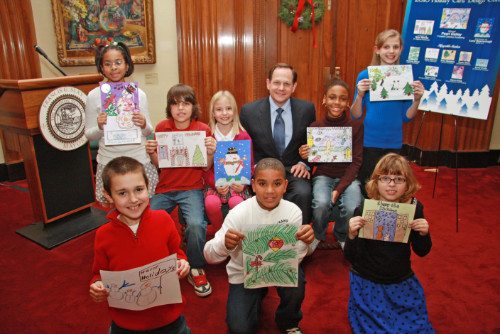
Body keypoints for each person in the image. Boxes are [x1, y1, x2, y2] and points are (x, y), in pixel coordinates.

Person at [204, 158, 314, 334]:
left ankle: (288, 321)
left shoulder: (293, 211)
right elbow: (208, 255)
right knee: (239, 329)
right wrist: (224, 244)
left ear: (285, 186)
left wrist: (303, 243)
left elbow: (296, 259)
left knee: (297, 282)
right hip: (244, 273)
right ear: (253, 186)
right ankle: (257, 295)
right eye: (263, 184)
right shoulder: (238, 213)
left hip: (280, 267)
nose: (270, 191)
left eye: (277, 184)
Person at [89, 156, 191, 334]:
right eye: (122, 193)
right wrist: (97, 285)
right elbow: (99, 274)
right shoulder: (103, 235)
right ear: (108, 195)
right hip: (126, 323)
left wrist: (182, 264)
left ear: (148, 185)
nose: (133, 199)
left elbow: (177, 254)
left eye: (138, 189)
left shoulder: (164, 220)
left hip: (169, 318)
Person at [344, 153, 434, 333]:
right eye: (385, 178)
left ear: (408, 183)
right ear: (376, 182)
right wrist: (351, 235)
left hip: (400, 279)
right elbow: (352, 256)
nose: (391, 184)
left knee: (417, 328)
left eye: (398, 179)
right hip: (367, 280)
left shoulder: (415, 208)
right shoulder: (363, 210)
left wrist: (424, 234)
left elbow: (421, 251)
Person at [146, 84, 216, 298]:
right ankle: (154, 264)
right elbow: (160, 164)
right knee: (147, 221)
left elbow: (205, 167)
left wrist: (211, 152)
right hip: (165, 188)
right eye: (175, 104)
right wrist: (152, 154)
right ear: (169, 108)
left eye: (186, 103)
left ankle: (196, 266)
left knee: (196, 224)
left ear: (193, 106)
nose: (181, 108)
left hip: (191, 188)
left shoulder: (202, 129)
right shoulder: (161, 127)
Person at [240, 63, 316, 225]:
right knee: (261, 193)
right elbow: (243, 146)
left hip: (293, 169)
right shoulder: (249, 111)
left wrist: (304, 162)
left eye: (287, 84)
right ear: (268, 83)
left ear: (294, 86)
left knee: (304, 192)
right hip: (262, 171)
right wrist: (254, 167)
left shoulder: (307, 109)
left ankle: (299, 241)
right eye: (276, 83)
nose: (281, 88)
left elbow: (312, 143)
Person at [350, 29, 425, 195]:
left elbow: (407, 117)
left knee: (390, 188)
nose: (391, 51)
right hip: (369, 142)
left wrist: (417, 100)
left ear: (401, 50)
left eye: (395, 47)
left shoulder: (406, 77)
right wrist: (360, 95)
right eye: (386, 47)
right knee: (368, 185)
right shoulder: (365, 75)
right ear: (377, 49)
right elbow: (355, 114)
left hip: (393, 142)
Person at [85, 41, 158, 205]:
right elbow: (89, 135)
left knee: (141, 205)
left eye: (118, 63)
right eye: (108, 64)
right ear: (102, 68)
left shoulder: (138, 94)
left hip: (138, 158)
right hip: (109, 159)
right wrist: (99, 127)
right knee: (115, 207)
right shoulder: (94, 96)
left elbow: (148, 131)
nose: (114, 68)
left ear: (127, 65)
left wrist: (143, 123)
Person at [299, 79, 364, 251]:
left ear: (348, 102)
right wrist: (306, 155)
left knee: (352, 206)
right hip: (323, 175)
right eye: (332, 97)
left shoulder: (356, 126)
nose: (337, 102)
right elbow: (316, 160)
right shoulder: (315, 127)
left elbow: (356, 160)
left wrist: (339, 188)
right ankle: (318, 234)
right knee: (321, 203)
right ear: (324, 100)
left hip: (348, 177)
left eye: (342, 99)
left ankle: (341, 233)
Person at [203, 90, 254, 231]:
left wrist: (243, 183)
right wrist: (214, 183)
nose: (224, 113)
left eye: (228, 108)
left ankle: (234, 233)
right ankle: (221, 233)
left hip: (237, 184)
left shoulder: (243, 136)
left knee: (237, 202)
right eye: (219, 109)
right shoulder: (209, 136)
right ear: (213, 113)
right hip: (215, 185)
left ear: (235, 111)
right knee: (211, 203)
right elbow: (204, 168)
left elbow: (249, 166)